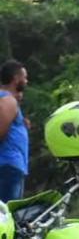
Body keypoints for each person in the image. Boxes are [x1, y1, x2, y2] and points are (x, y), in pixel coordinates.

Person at [0, 60, 31, 202]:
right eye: (25, 77)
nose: (26, 81)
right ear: (16, 78)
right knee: (8, 212)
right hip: (8, 165)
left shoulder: (9, 100)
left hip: (11, 166)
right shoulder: (8, 100)